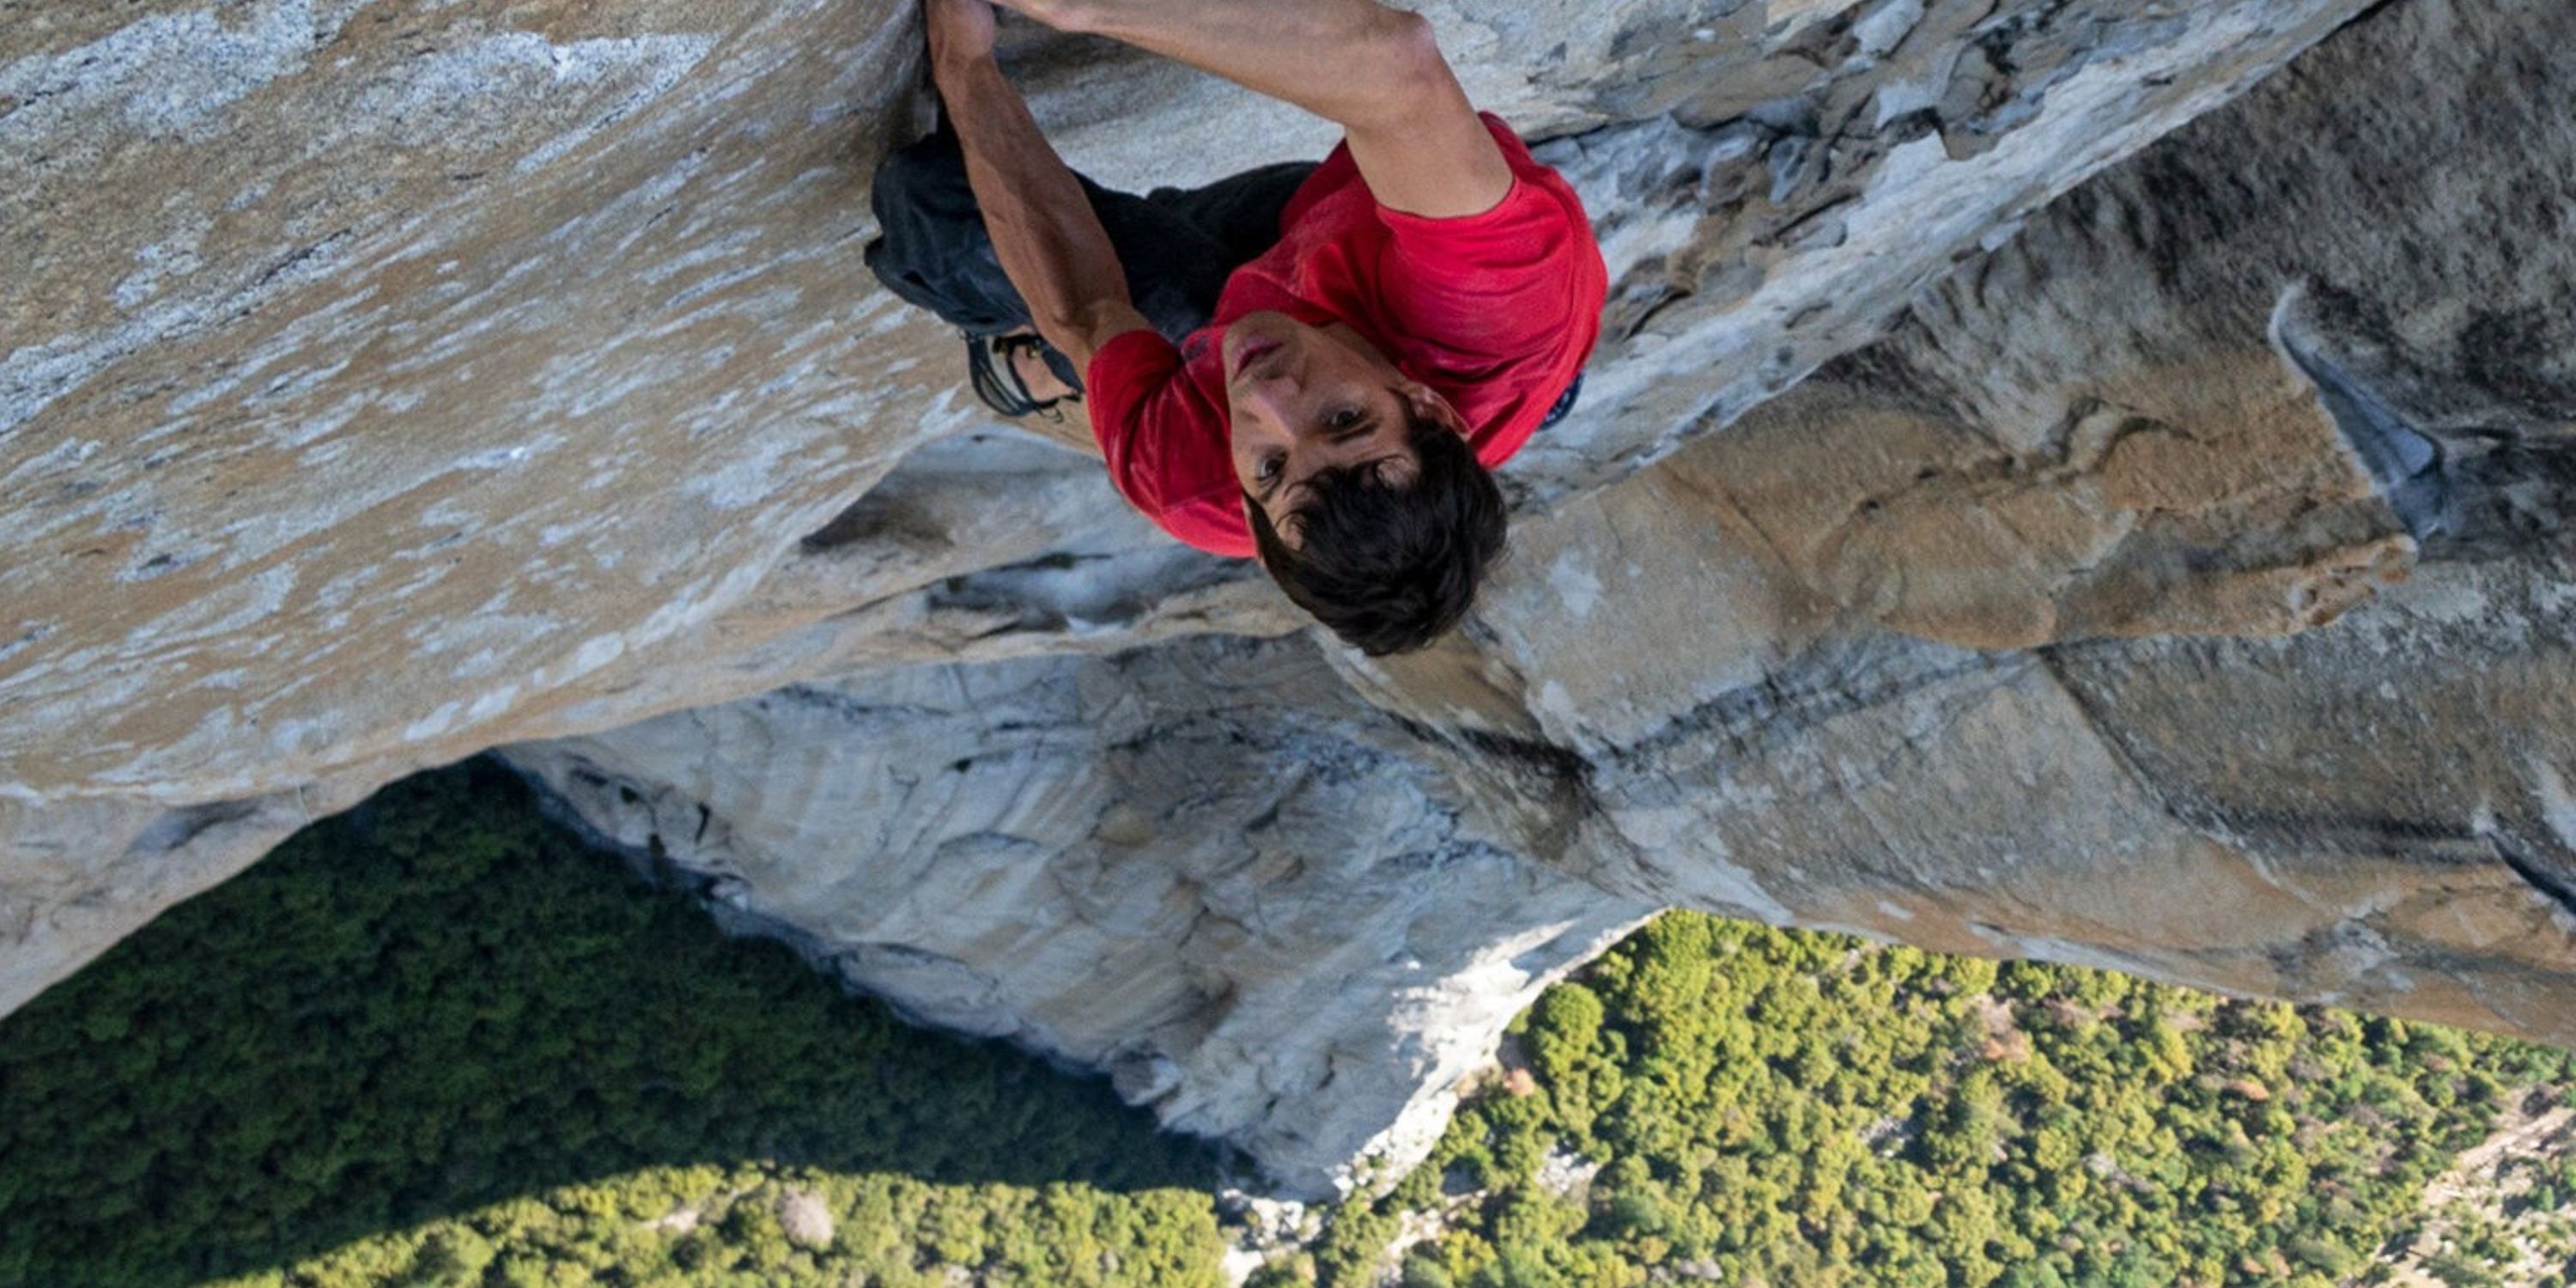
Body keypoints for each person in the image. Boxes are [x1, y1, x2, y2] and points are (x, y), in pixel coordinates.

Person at [865, 0, 1607, 655]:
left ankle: (1033, 373)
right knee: (1311, 207)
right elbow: (1399, 71)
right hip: (1366, 265)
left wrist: (966, 65)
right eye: (1344, 419)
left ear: (1249, 514)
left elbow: (1082, 312)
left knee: (934, 210)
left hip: (1309, 291)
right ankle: (1545, 395)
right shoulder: (1493, 304)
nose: (1268, 398)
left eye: (1272, 469)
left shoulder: (1193, 484)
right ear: (1424, 404)